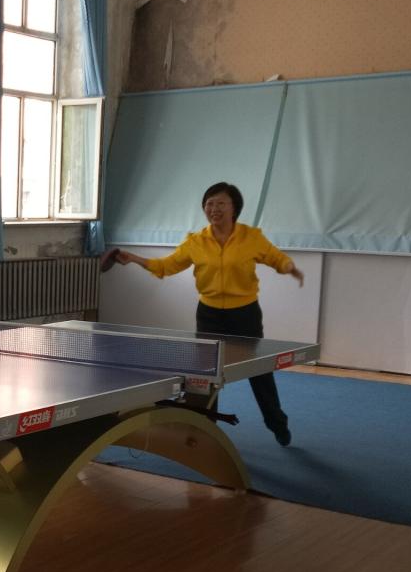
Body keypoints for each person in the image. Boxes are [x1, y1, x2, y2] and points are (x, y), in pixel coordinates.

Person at [100, 182, 304, 446]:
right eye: (209, 204)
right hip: (209, 315)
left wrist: (289, 267)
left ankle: (277, 424)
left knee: (259, 371)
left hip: (245, 314)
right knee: (205, 375)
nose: (214, 208)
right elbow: (166, 266)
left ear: (234, 208)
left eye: (221, 203)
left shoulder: (251, 237)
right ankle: (203, 428)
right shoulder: (195, 241)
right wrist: (134, 259)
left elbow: (276, 258)